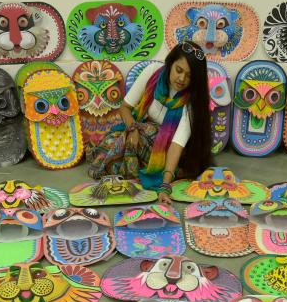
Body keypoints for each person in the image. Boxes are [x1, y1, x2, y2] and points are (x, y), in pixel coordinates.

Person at [87, 41, 213, 202]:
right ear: (170, 63)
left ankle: (148, 167)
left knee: (140, 136)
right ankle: (133, 161)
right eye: (179, 70)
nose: (182, 78)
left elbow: (177, 145)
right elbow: (125, 108)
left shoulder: (192, 102)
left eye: (189, 76)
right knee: (113, 143)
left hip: (169, 152)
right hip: (142, 134)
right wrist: (133, 129)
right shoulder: (153, 73)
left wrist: (165, 185)